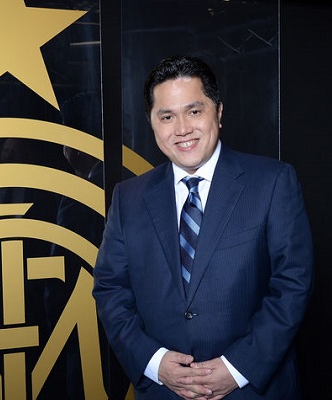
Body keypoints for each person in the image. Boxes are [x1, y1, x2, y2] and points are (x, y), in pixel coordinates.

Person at [92, 55, 313, 399]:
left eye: (194, 111)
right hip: (163, 391)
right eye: (167, 116)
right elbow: (110, 289)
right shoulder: (128, 198)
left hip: (252, 389)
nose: (182, 129)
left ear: (218, 113)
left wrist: (239, 368)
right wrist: (154, 362)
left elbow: (292, 283)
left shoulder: (272, 182)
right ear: (152, 123)